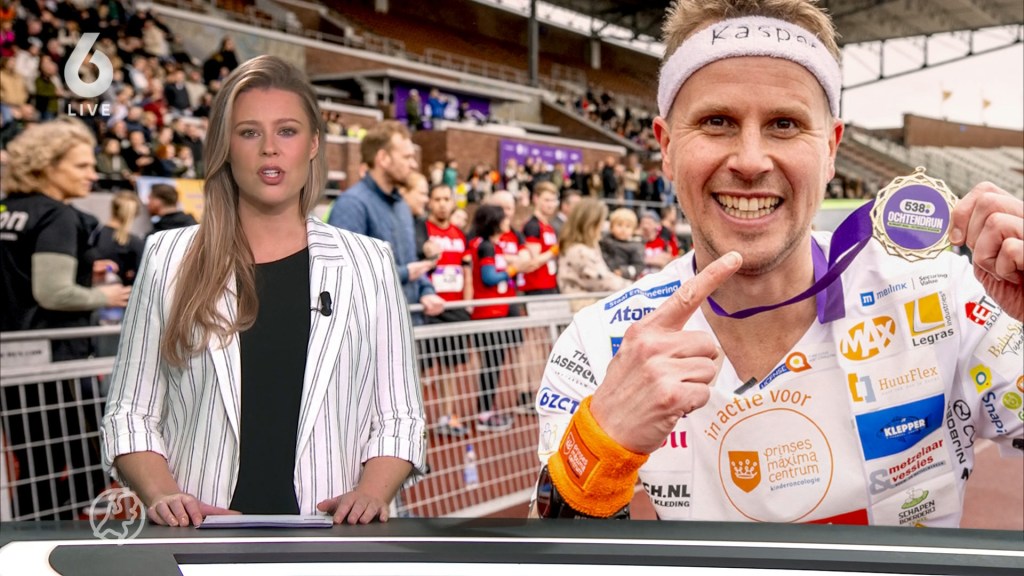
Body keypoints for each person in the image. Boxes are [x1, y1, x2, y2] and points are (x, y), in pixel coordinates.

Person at [532, 0, 1023, 525]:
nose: (750, 161)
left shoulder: (949, 297)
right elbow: (551, 553)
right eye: (717, 122)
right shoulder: (602, 343)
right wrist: (600, 450)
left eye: (784, 124)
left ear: (831, 149)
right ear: (667, 148)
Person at [101, 56, 426, 527]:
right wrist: (164, 495)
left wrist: (371, 494)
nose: (269, 148)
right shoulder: (166, 257)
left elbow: (400, 416)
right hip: (201, 535)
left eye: (287, 131)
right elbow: (130, 411)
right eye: (249, 132)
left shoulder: (369, 262)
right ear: (225, 145)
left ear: (313, 144)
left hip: (330, 537)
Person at [1, 117, 132, 519]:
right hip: (55, 363)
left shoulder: (8, 211)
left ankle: (26, 537)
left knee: (34, 465)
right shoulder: (57, 215)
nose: (92, 174)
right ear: (46, 165)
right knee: (79, 463)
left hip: (14, 362)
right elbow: (52, 292)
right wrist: (104, 295)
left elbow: (21, 275)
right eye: (81, 165)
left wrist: (81, 269)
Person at [327, 121, 445, 324]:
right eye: (407, 157)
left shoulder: (401, 206)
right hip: (372, 331)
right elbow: (343, 274)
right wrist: (405, 273)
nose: (414, 164)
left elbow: (410, 263)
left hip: (408, 324)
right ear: (383, 158)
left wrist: (426, 290)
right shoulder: (352, 205)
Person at [421, 183, 473, 437]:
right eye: (437, 199)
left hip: (454, 307)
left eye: (446, 199)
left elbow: (466, 270)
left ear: (452, 203)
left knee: (450, 367)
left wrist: (468, 302)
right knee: (420, 368)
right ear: (430, 202)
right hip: (429, 308)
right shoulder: (423, 231)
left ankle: (446, 414)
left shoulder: (459, 235)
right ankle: (416, 420)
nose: (442, 204)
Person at [468, 204, 517, 432]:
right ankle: (484, 414)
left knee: (494, 364)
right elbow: (488, 277)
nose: (508, 221)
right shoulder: (486, 246)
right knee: (491, 365)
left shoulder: (492, 246)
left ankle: (487, 410)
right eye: (503, 218)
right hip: (488, 314)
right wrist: (512, 270)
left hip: (496, 312)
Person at [558, 198, 631, 313]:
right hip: (584, 310)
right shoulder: (580, 251)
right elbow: (603, 281)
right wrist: (635, 287)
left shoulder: (586, 246)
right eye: (601, 222)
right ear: (591, 224)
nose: (603, 226)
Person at [600, 207, 645, 281]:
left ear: (634, 230)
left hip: (622, 280)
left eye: (628, 226)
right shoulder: (604, 239)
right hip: (603, 274)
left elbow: (639, 266)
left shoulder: (636, 245)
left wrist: (623, 271)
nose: (623, 229)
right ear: (611, 227)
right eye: (619, 225)